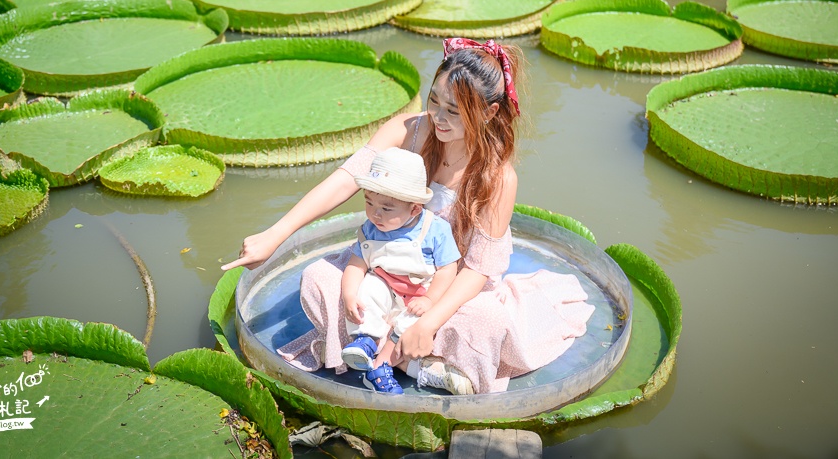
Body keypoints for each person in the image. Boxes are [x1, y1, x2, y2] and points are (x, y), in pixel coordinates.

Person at [223, 38, 594, 395]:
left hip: (447, 285)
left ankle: (383, 347)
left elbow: (477, 271)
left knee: (487, 323)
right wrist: (277, 233)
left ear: (489, 112)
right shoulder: (410, 130)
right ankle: (410, 359)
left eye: (454, 111)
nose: (439, 117)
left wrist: (429, 320)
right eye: (434, 101)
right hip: (387, 267)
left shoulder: (497, 177)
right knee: (319, 279)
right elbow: (346, 179)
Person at [340, 147, 460, 394]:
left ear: (415, 209)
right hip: (387, 287)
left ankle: (381, 365)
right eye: (369, 202)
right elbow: (357, 264)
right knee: (369, 288)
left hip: (419, 294)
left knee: (413, 321)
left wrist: (429, 299)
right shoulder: (370, 229)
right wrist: (349, 295)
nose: (375, 213)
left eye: (386, 208)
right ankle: (366, 339)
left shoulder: (434, 230)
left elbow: (448, 269)